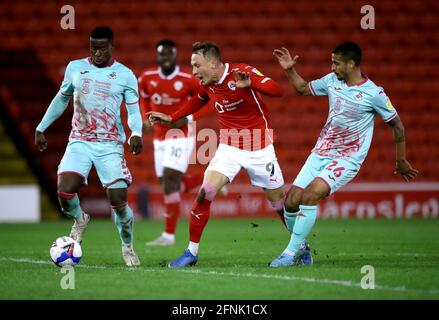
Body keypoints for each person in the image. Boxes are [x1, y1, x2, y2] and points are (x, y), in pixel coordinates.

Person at [269, 42, 418, 267]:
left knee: (310, 196)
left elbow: (397, 125)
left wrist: (401, 159)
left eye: (336, 63)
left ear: (351, 64)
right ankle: (302, 249)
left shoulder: (374, 93)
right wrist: (289, 69)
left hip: (346, 159)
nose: (332, 67)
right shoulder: (331, 81)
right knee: (290, 202)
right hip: (320, 153)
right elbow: (302, 89)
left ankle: (289, 254)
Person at [148, 41, 290, 268]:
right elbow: (199, 99)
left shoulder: (241, 72)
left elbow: (278, 90)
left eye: (197, 65)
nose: (193, 71)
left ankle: (299, 247)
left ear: (213, 64)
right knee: (206, 192)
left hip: (259, 146)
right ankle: (191, 252)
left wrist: (250, 82)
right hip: (229, 147)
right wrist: (172, 116)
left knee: (280, 206)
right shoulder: (208, 83)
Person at [35, 26, 143, 267]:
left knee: (118, 201)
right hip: (80, 141)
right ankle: (80, 218)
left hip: (109, 145)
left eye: (102, 49)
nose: (97, 53)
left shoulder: (125, 74)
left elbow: (133, 110)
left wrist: (135, 133)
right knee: (64, 190)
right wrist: (42, 127)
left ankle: (127, 246)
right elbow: (61, 99)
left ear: (112, 47)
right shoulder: (75, 68)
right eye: (93, 48)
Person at [139, 39, 218, 246]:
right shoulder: (147, 77)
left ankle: (168, 235)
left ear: (175, 56)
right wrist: (144, 116)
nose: (166, 58)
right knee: (168, 185)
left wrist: (190, 118)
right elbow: (144, 97)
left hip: (180, 134)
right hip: (159, 136)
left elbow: (209, 100)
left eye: (169, 54)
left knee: (169, 178)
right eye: (162, 54)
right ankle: (208, 181)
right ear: (158, 56)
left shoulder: (188, 78)